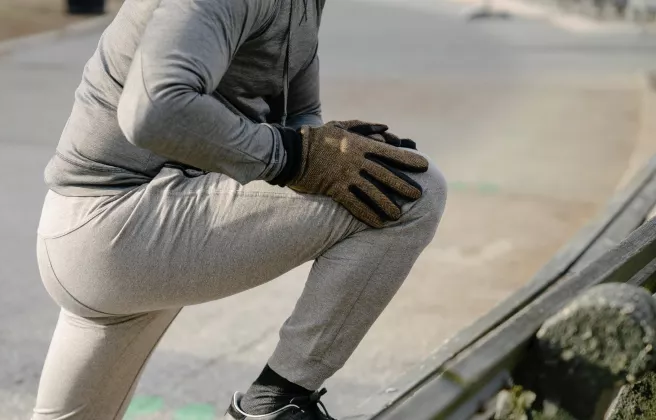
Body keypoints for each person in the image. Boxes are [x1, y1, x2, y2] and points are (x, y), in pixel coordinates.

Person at [32, 0, 448, 419]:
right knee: (413, 191)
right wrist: (297, 156)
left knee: (375, 173)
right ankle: (276, 403)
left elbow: (296, 119)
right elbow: (153, 109)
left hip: (105, 236)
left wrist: (328, 144)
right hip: (117, 229)